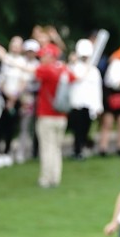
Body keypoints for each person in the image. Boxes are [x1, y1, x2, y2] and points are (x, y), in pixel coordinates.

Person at [33, 43, 74, 187]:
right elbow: (76, 77)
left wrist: (6, 58)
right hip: (61, 117)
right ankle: (56, 177)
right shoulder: (64, 70)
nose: (41, 59)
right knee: (56, 148)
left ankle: (46, 178)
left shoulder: (47, 70)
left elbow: (32, 71)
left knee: (47, 148)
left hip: (47, 115)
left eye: (43, 56)